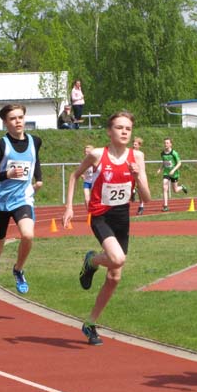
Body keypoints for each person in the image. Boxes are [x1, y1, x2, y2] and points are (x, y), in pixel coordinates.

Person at [62, 111, 151, 345]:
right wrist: (69, 207)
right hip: (100, 215)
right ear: (109, 132)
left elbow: (147, 198)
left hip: (121, 217)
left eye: (128, 128)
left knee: (114, 277)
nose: (124, 132)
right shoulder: (97, 155)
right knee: (117, 258)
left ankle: (90, 323)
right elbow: (74, 176)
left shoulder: (137, 156)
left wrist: (137, 177)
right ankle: (91, 260)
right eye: (119, 128)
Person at [0, 104, 43, 314]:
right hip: (0, 203)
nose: (18, 121)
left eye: (20, 117)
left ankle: (18, 269)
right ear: (5, 123)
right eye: (13, 118)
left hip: (23, 199)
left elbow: (35, 159)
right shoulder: (0, 146)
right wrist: (6, 174)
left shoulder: (35, 141)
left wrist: (39, 178)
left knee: (28, 235)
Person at [156, 137, 187, 212]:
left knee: (175, 190)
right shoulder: (162, 153)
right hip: (166, 173)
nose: (165, 144)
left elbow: (179, 163)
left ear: (170, 144)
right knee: (164, 187)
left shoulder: (174, 153)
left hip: (174, 173)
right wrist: (160, 169)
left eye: (167, 143)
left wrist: (173, 170)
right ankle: (165, 206)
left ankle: (182, 187)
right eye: (165, 143)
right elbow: (164, 162)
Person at [131, 137, 146, 215]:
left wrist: (142, 173)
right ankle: (133, 192)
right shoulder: (129, 152)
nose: (134, 146)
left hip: (139, 172)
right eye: (133, 144)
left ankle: (141, 206)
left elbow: (142, 164)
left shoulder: (141, 154)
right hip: (131, 172)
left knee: (140, 190)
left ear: (139, 145)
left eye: (135, 144)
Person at [81, 145, 95, 210]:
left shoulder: (95, 160)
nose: (86, 153)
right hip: (86, 182)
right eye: (85, 152)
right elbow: (80, 171)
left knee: (94, 199)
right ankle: (89, 212)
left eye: (88, 152)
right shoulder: (83, 161)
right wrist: (82, 175)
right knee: (87, 199)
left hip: (94, 182)